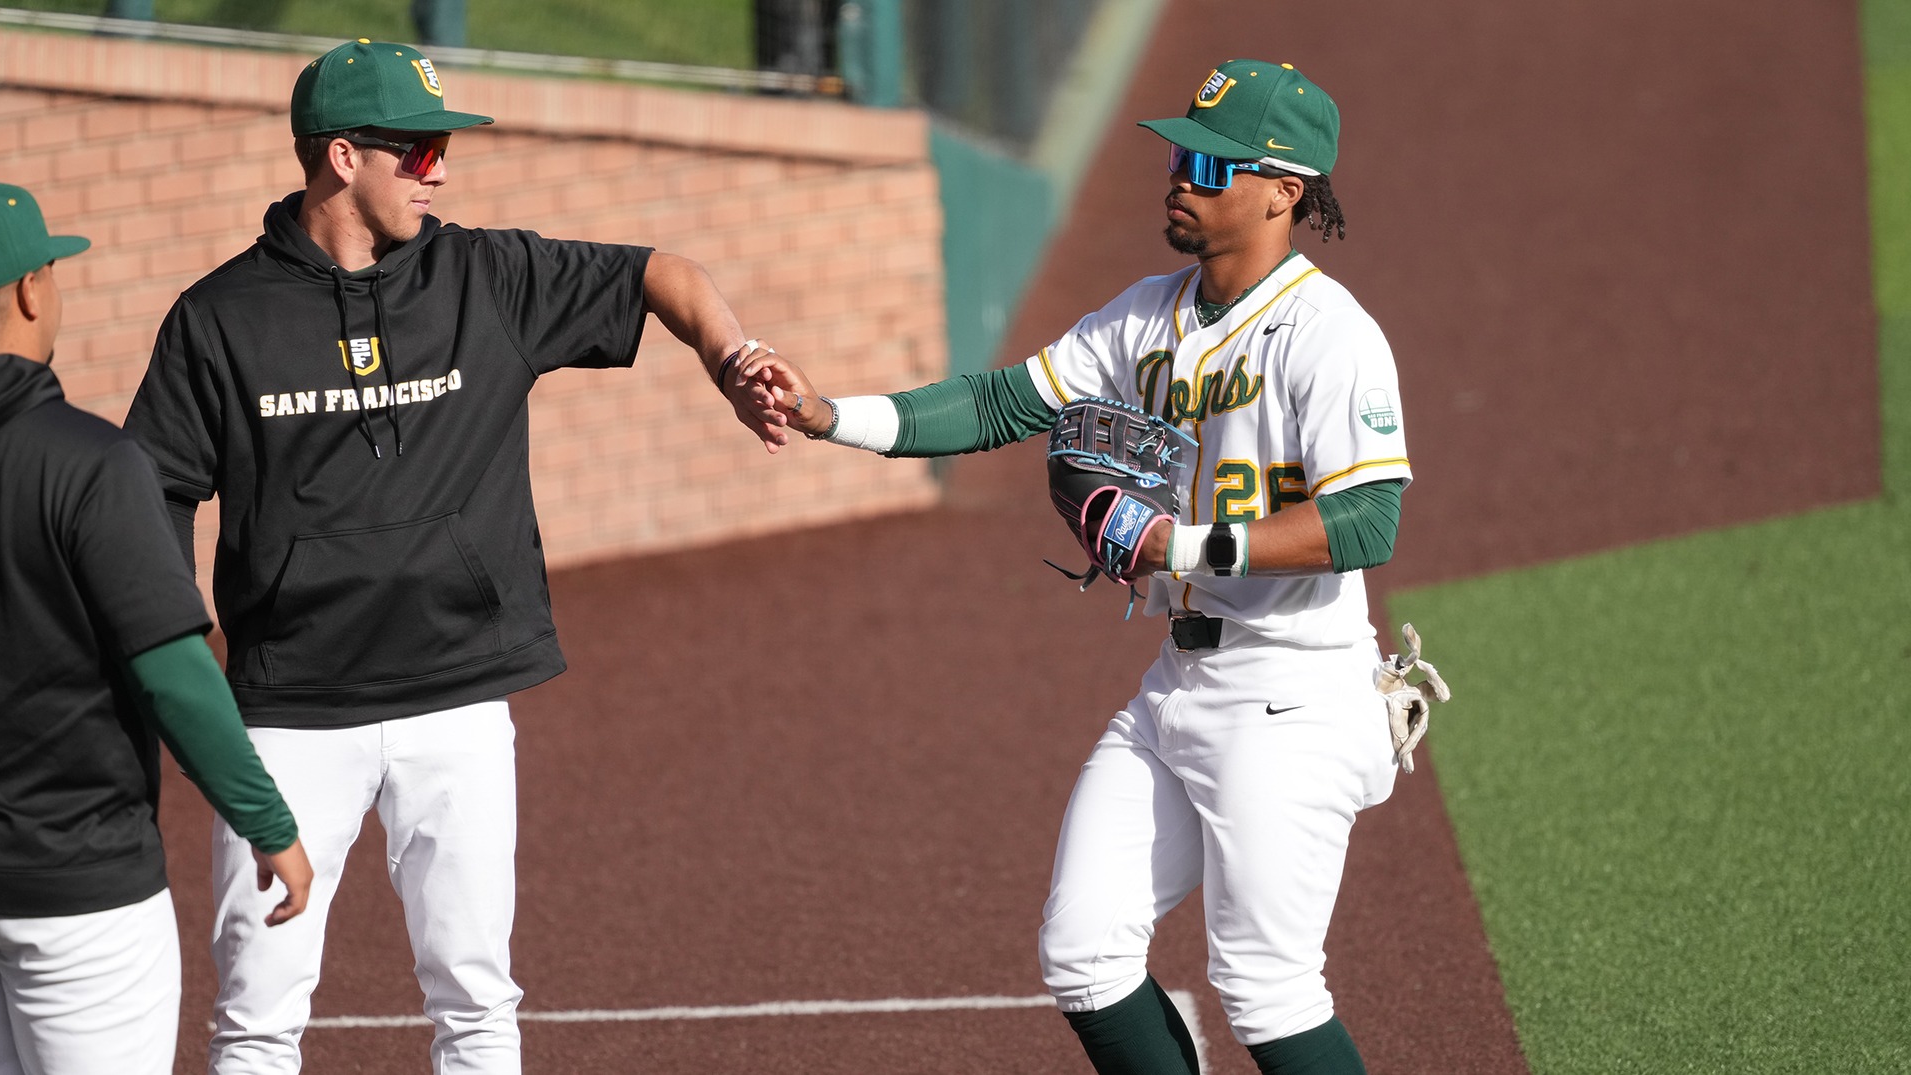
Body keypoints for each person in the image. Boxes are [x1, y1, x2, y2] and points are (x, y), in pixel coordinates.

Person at [122, 39, 788, 1075]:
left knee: (477, 1000)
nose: (442, 172)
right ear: (343, 157)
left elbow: (663, 274)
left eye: (444, 152)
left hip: (460, 700)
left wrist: (733, 357)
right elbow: (152, 496)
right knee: (258, 1017)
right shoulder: (217, 320)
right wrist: (191, 662)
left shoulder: (491, 276)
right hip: (291, 718)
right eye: (420, 153)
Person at [741, 59, 1414, 1075]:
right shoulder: (1147, 314)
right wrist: (831, 415)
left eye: (1210, 164)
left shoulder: (1329, 337)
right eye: (1181, 152)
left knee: (1268, 990)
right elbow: (1002, 403)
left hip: (1295, 695)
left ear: (1284, 191)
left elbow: (1368, 519)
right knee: (1085, 953)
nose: (1179, 175)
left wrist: (1182, 547)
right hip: (1182, 681)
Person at [0, 182, 312, 1075]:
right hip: (79, 896)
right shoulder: (90, 465)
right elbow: (174, 671)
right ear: (28, 290)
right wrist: (269, 823)